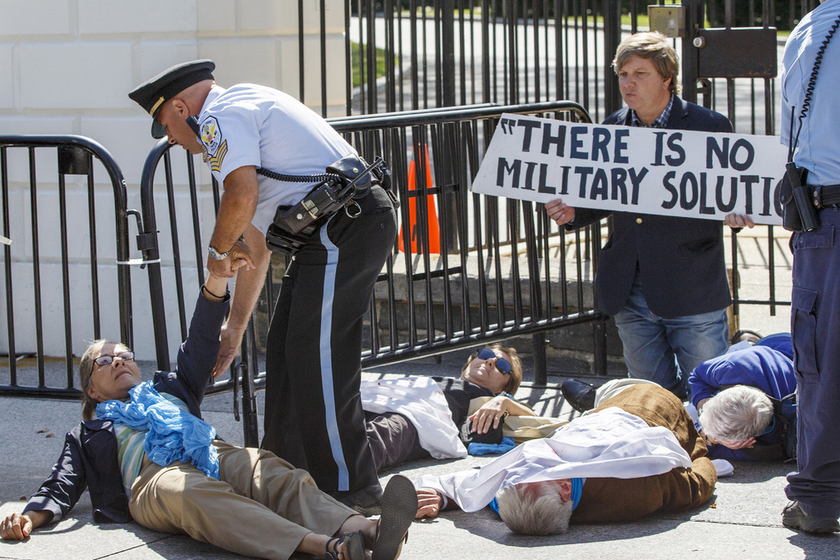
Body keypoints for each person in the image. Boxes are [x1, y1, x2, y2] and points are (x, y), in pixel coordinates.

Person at [128, 60, 398, 513]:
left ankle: (354, 491)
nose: (172, 140)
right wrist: (234, 327)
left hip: (343, 225)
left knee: (318, 355)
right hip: (333, 229)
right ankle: (288, 479)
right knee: (289, 347)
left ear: (179, 106)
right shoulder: (239, 109)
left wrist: (216, 255)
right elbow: (254, 241)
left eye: (167, 127)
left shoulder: (218, 117)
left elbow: (241, 197)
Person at [0, 273, 417, 560]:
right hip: (153, 479)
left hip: (210, 454)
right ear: (91, 390)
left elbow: (200, 342)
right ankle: (326, 547)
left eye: (123, 354)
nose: (117, 361)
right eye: (104, 361)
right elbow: (62, 483)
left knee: (267, 469)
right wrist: (29, 517)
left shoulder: (173, 388)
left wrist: (216, 283)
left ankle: (367, 530)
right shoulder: (90, 430)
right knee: (192, 493)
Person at [545, 32, 753, 399]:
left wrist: (736, 211)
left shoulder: (709, 126)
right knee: (650, 398)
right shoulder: (612, 129)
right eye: (623, 74)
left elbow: (728, 194)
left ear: (667, 78)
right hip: (630, 287)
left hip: (691, 285)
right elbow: (604, 195)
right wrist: (572, 212)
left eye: (640, 73)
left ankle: (711, 456)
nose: (628, 83)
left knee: (712, 395)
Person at [414, 384, 717, 535]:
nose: (525, 464)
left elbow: (474, 485)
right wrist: (701, 453)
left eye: (515, 476)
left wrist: (440, 497)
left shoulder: (518, 495)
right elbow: (695, 486)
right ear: (565, 489)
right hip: (650, 408)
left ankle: (589, 396)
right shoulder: (637, 490)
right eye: (536, 471)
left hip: (590, 418)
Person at [779, 0, 840, 534]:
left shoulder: (814, 29)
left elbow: (790, 132)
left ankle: (820, 498)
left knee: (821, 361)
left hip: (830, 216)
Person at [363, 344, 535, 471]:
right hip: (378, 398)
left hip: (421, 417)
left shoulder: (489, 400)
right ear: (470, 362)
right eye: (486, 354)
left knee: (379, 436)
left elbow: (537, 421)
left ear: (505, 387)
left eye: (502, 367)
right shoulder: (442, 382)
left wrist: (504, 401)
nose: (490, 361)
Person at [689, 342, 797, 462]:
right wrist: (702, 403)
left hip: (792, 349)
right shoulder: (735, 365)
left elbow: (695, 447)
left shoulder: (758, 450)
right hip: (782, 348)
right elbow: (697, 376)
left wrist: (709, 439)